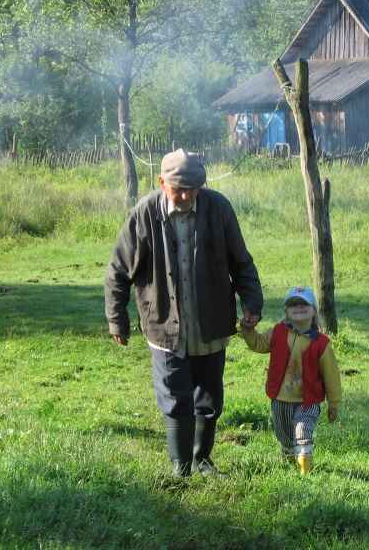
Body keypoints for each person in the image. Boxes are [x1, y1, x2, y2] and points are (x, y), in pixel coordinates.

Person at [105, 149, 263, 477]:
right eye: (178, 188)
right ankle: (181, 467)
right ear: (162, 182)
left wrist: (253, 304)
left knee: (209, 395)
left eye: (193, 188)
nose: (186, 195)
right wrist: (117, 318)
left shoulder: (218, 208)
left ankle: (203, 460)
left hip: (210, 321)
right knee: (175, 396)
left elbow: (241, 262)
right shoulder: (145, 213)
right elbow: (118, 269)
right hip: (163, 323)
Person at [239, 286, 342, 474]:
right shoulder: (277, 332)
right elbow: (258, 344)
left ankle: (305, 474)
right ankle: (288, 463)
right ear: (286, 311)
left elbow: (332, 376)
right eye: (293, 304)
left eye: (304, 304)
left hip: (308, 400)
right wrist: (248, 331)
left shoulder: (321, 343)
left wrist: (333, 403)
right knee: (284, 436)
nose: (299, 307)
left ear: (314, 310)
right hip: (280, 398)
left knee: (302, 432)